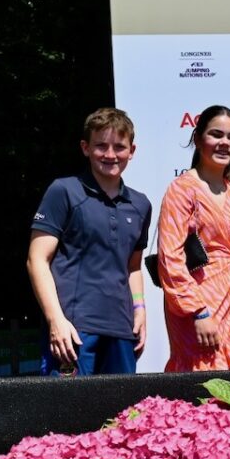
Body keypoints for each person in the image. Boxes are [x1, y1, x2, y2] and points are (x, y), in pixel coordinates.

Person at [28, 107, 152, 376]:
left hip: (122, 330)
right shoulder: (64, 190)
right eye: (101, 146)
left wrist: (140, 309)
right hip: (73, 330)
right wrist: (55, 320)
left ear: (132, 151)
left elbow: (133, 267)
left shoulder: (141, 204)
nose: (110, 154)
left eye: (119, 147)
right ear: (85, 148)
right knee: (66, 405)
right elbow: (36, 260)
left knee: (123, 405)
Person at [156, 105, 230, 372]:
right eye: (216, 134)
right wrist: (198, 311)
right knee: (197, 375)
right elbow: (170, 258)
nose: (225, 143)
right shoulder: (182, 189)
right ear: (198, 138)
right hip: (195, 303)